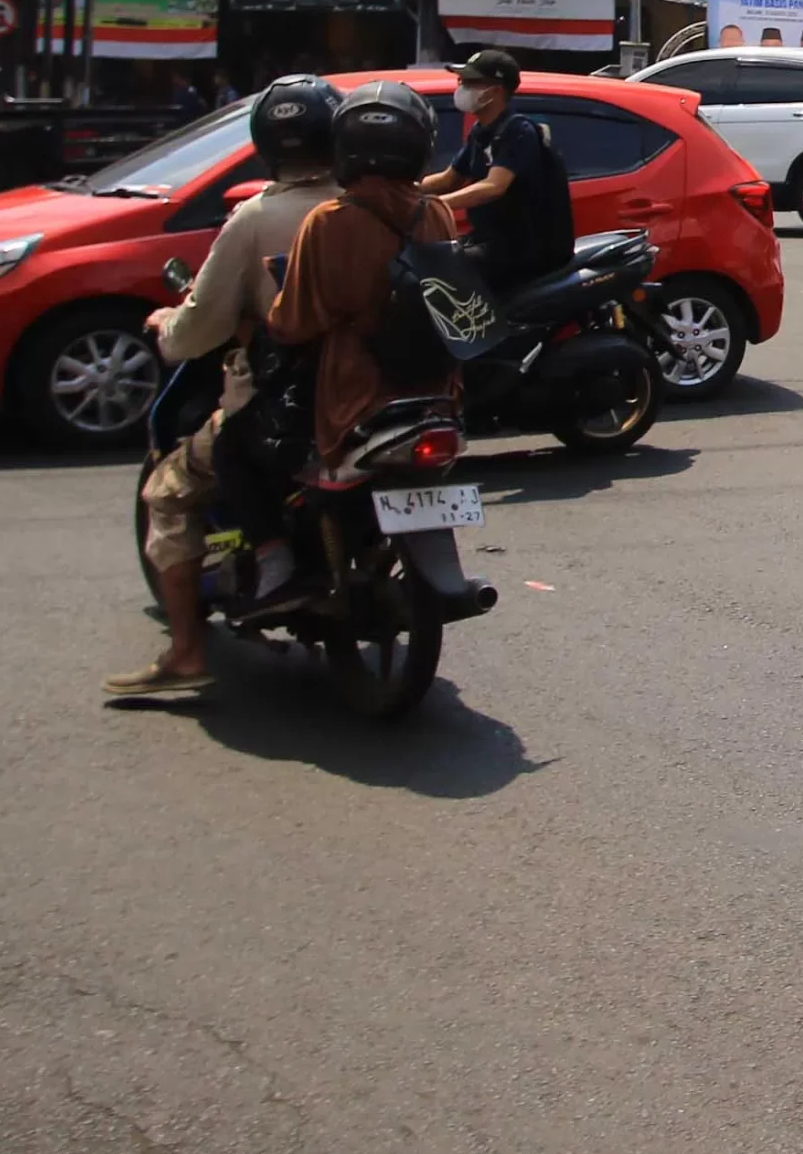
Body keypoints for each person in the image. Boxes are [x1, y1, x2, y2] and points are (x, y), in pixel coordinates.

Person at [110, 76, 343, 695]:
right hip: (368, 398)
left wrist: (167, 326)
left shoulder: (258, 217)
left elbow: (199, 325)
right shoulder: (379, 206)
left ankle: (187, 651)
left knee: (168, 491)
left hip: (282, 405)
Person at [268, 81, 461, 473]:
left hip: (355, 397)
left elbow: (294, 323)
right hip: (437, 393)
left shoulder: (327, 221)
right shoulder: (438, 212)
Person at [419, 48, 574, 294]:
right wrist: (404, 189)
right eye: (462, 81)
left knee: (441, 274)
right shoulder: (482, 132)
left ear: (495, 91)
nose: (461, 88)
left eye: (471, 83)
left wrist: (432, 205)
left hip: (520, 249)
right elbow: (450, 178)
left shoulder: (518, 132)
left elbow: (494, 186)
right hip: (488, 240)